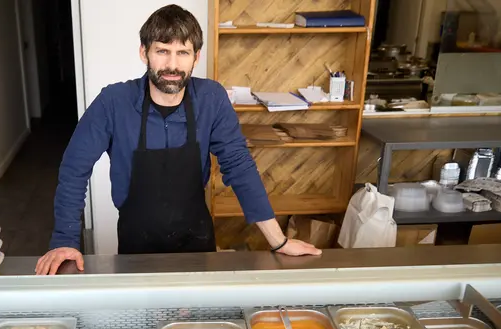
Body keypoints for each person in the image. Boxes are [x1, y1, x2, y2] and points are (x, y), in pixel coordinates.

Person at [35, 5, 321, 275]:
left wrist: (279, 241)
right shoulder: (114, 102)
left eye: (182, 52)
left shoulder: (211, 99)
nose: (172, 65)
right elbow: (74, 169)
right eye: (162, 51)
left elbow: (239, 166)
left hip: (197, 243)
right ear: (143, 52)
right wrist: (64, 239)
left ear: (196, 57)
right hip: (135, 247)